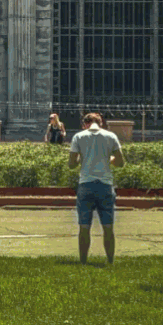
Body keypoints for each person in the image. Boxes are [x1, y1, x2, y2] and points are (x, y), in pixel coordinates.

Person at [68, 112, 124, 265]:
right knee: (108, 227)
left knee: (84, 227)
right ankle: (110, 261)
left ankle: (83, 261)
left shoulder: (78, 137)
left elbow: (71, 164)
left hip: (86, 184)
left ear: (85, 124)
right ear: (101, 123)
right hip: (105, 185)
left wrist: (82, 157)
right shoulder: (110, 136)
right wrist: (109, 158)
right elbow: (120, 162)